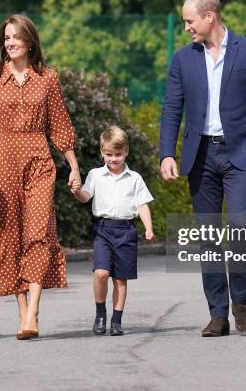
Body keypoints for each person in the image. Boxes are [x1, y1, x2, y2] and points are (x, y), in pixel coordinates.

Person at [159, 0, 246, 337]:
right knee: (209, 235)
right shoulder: (183, 59)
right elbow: (171, 109)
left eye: (189, 20)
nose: (186, 28)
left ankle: (240, 299)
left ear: (210, 16)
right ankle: (218, 313)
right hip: (200, 156)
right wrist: (167, 153)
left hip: (241, 153)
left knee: (240, 225)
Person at [0, 14, 80, 340]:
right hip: (5, 162)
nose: (11, 43)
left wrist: (73, 166)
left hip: (40, 162)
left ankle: (33, 310)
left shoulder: (48, 78)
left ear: (30, 41)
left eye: (16, 37)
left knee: (37, 232)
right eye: (6, 38)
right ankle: (23, 316)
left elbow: (59, 124)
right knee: (11, 237)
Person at [71, 126, 154, 336]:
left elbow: (143, 204)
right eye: (109, 154)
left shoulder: (134, 178)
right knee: (101, 273)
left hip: (126, 230)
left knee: (120, 279)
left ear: (126, 151)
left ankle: (117, 320)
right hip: (104, 230)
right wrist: (77, 191)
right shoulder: (95, 175)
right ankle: (100, 314)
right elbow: (85, 196)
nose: (113, 159)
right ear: (102, 152)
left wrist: (149, 228)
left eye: (118, 154)